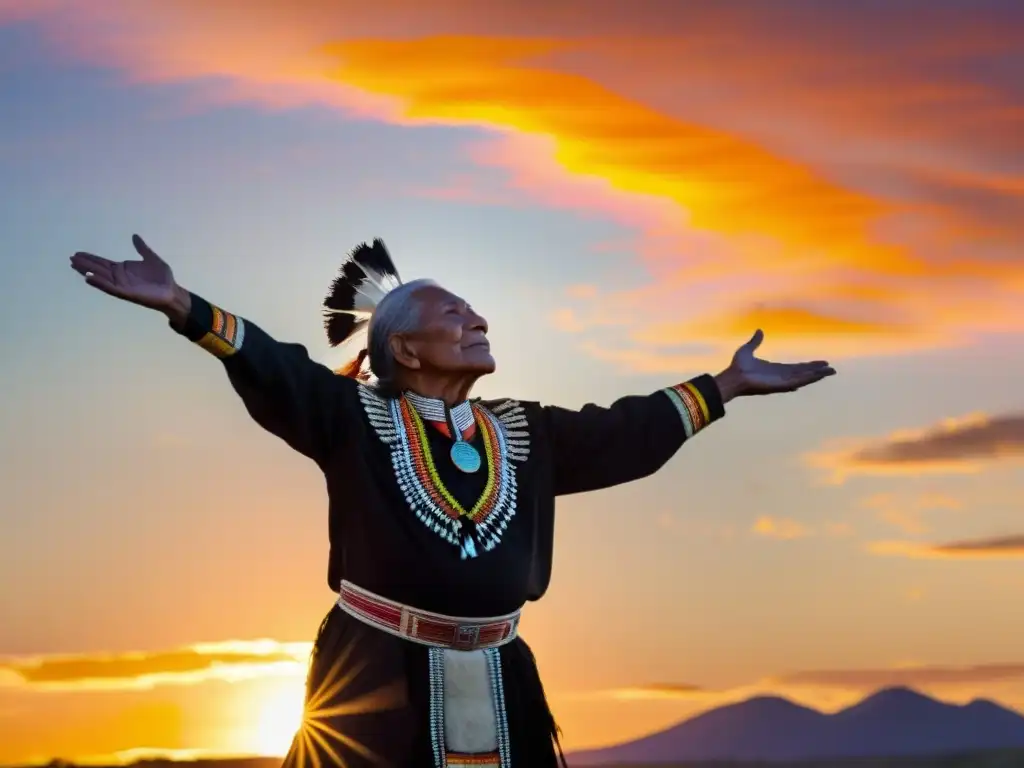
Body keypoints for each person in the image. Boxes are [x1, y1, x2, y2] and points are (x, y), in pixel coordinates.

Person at [70, 235, 835, 768]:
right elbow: (279, 368)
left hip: (504, 675)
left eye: (475, 314)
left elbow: (625, 433)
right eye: (454, 316)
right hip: (372, 676)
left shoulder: (524, 430)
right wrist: (180, 303)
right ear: (403, 349)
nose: (478, 323)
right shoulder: (352, 419)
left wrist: (726, 385)